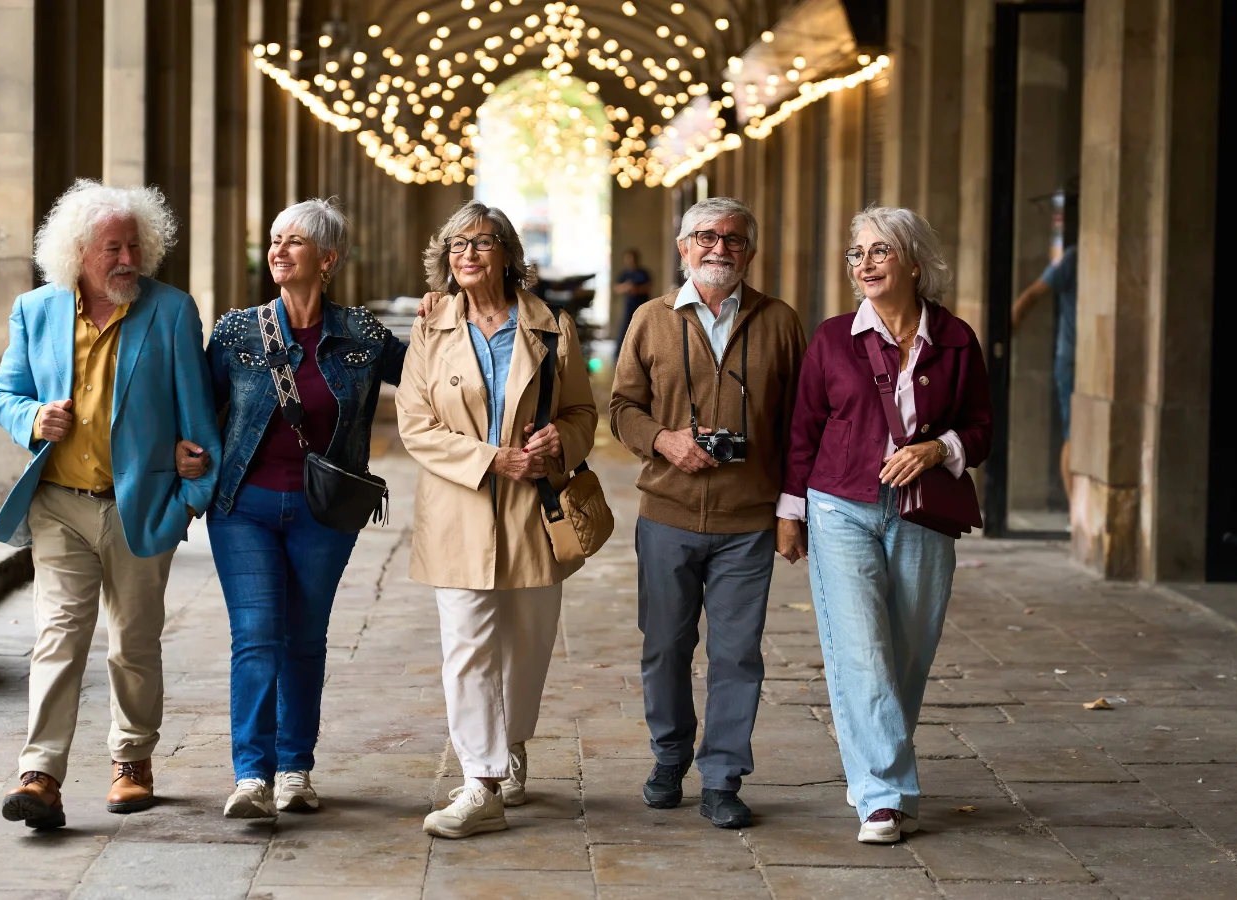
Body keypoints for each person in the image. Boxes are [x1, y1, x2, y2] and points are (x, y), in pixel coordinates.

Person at [0, 179, 221, 829]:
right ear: (78, 252)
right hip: (59, 504)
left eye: (134, 246)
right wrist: (34, 418)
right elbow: (5, 395)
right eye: (112, 248)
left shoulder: (171, 311)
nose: (127, 259)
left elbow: (199, 420)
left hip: (139, 506)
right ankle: (40, 774)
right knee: (58, 637)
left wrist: (188, 500)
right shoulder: (35, 311)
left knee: (133, 641)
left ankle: (132, 760)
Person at [777, 206, 993, 843]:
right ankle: (882, 796)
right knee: (862, 652)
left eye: (879, 251)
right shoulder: (832, 338)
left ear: (914, 263)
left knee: (907, 653)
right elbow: (803, 429)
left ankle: (874, 763)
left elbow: (982, 429)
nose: (864, 264)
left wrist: (937, 449)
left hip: (924, 512)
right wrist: (791, 511)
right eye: (857, 253)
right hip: (839, 505)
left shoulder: (957, 339)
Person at [188, 199, 406, 819]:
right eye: (275, 240)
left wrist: (457, 317)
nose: (277, 252)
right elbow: (197, 405)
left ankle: (294, 769)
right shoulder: (237, 332)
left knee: (305, 640)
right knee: (257, 636)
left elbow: (435, 378)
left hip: (324, 513)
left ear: (328, 259)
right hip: (244, 508)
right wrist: (182, 450)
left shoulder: (363, 335)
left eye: (294, 242)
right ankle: (251, 777)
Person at [397, 200, 598, 839]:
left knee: (528, 647)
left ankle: (510, 743)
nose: (468, 254)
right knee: (467, 647)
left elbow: (582, 413)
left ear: (508, 254)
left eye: (482, 243)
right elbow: (415, 424)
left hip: (535, 508)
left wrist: (560, 442)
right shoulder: (430, 327)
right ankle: (479, 781)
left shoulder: (551, 327)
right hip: (458, 506)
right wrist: (491, 458)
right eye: (457, 245)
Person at [609, 197, 808, 830]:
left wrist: (792, 510)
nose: (719, 248)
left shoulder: (780, 321)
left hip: (748, 522)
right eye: (705, 237)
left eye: (733, 238)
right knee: (665, 648)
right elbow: (621, 408)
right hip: (666, 515)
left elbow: (802, 425)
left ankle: (722, 777)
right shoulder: (650, 318)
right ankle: (669, 759)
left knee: (737, 655)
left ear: (750, 250)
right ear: (683, 247)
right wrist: (664, 440)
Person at [1011, 243, 1077, 494]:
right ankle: (1075, 510)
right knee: (1073, 435)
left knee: (1075, 435)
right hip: (1072, 358)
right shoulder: (1071, 258)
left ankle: (1078, 510)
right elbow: (1032, 294)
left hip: (1081, 357)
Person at [613, 248, 653, 350]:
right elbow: (617, 288)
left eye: (631, 258)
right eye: (628, 259)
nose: (630, 261)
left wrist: (636, 289)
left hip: (642, 306)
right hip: (629, 307)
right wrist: (625, 287)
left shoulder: (643, 273)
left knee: (642, 329)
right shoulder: (625, 274)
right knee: (625, 329)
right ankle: (621, 352)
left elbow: (648, 287)